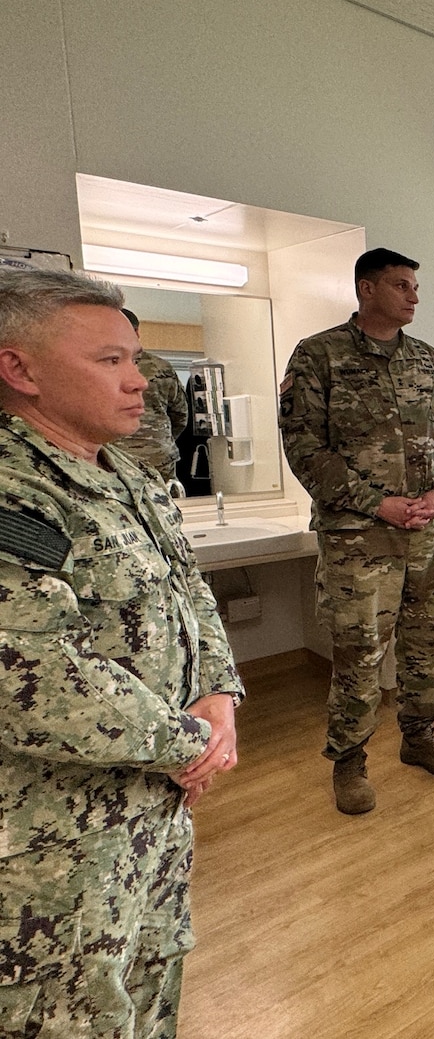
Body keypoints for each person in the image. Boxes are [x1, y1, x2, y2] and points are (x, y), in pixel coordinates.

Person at [0, 269, 242, 1035]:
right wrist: (192, 741)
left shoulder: (127, 474)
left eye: (135, 359)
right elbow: (31, 674)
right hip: (55, 850)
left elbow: (190, 590)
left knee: (150, 988)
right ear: (19, 369)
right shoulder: (16, 487)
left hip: (154, 818)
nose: (140, 384)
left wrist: (220, 693)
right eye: (111, 361)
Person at [279, 248, 434, 814]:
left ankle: (419, 736)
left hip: (432, 535)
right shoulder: (319, 356)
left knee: (432, 641)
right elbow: (305, 448)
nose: (414, 296)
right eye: (401, 285)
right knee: (360, 651)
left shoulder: (430, 361)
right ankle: (350, 760)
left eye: (416, 286)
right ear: (366, 289)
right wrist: (377, 503)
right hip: (359, 540)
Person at [111, 306, 189, 482]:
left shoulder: (102, 365)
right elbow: (180, 416)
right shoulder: (161, 366)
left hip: (117, 454)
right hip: (157, 453)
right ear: (137, 332)